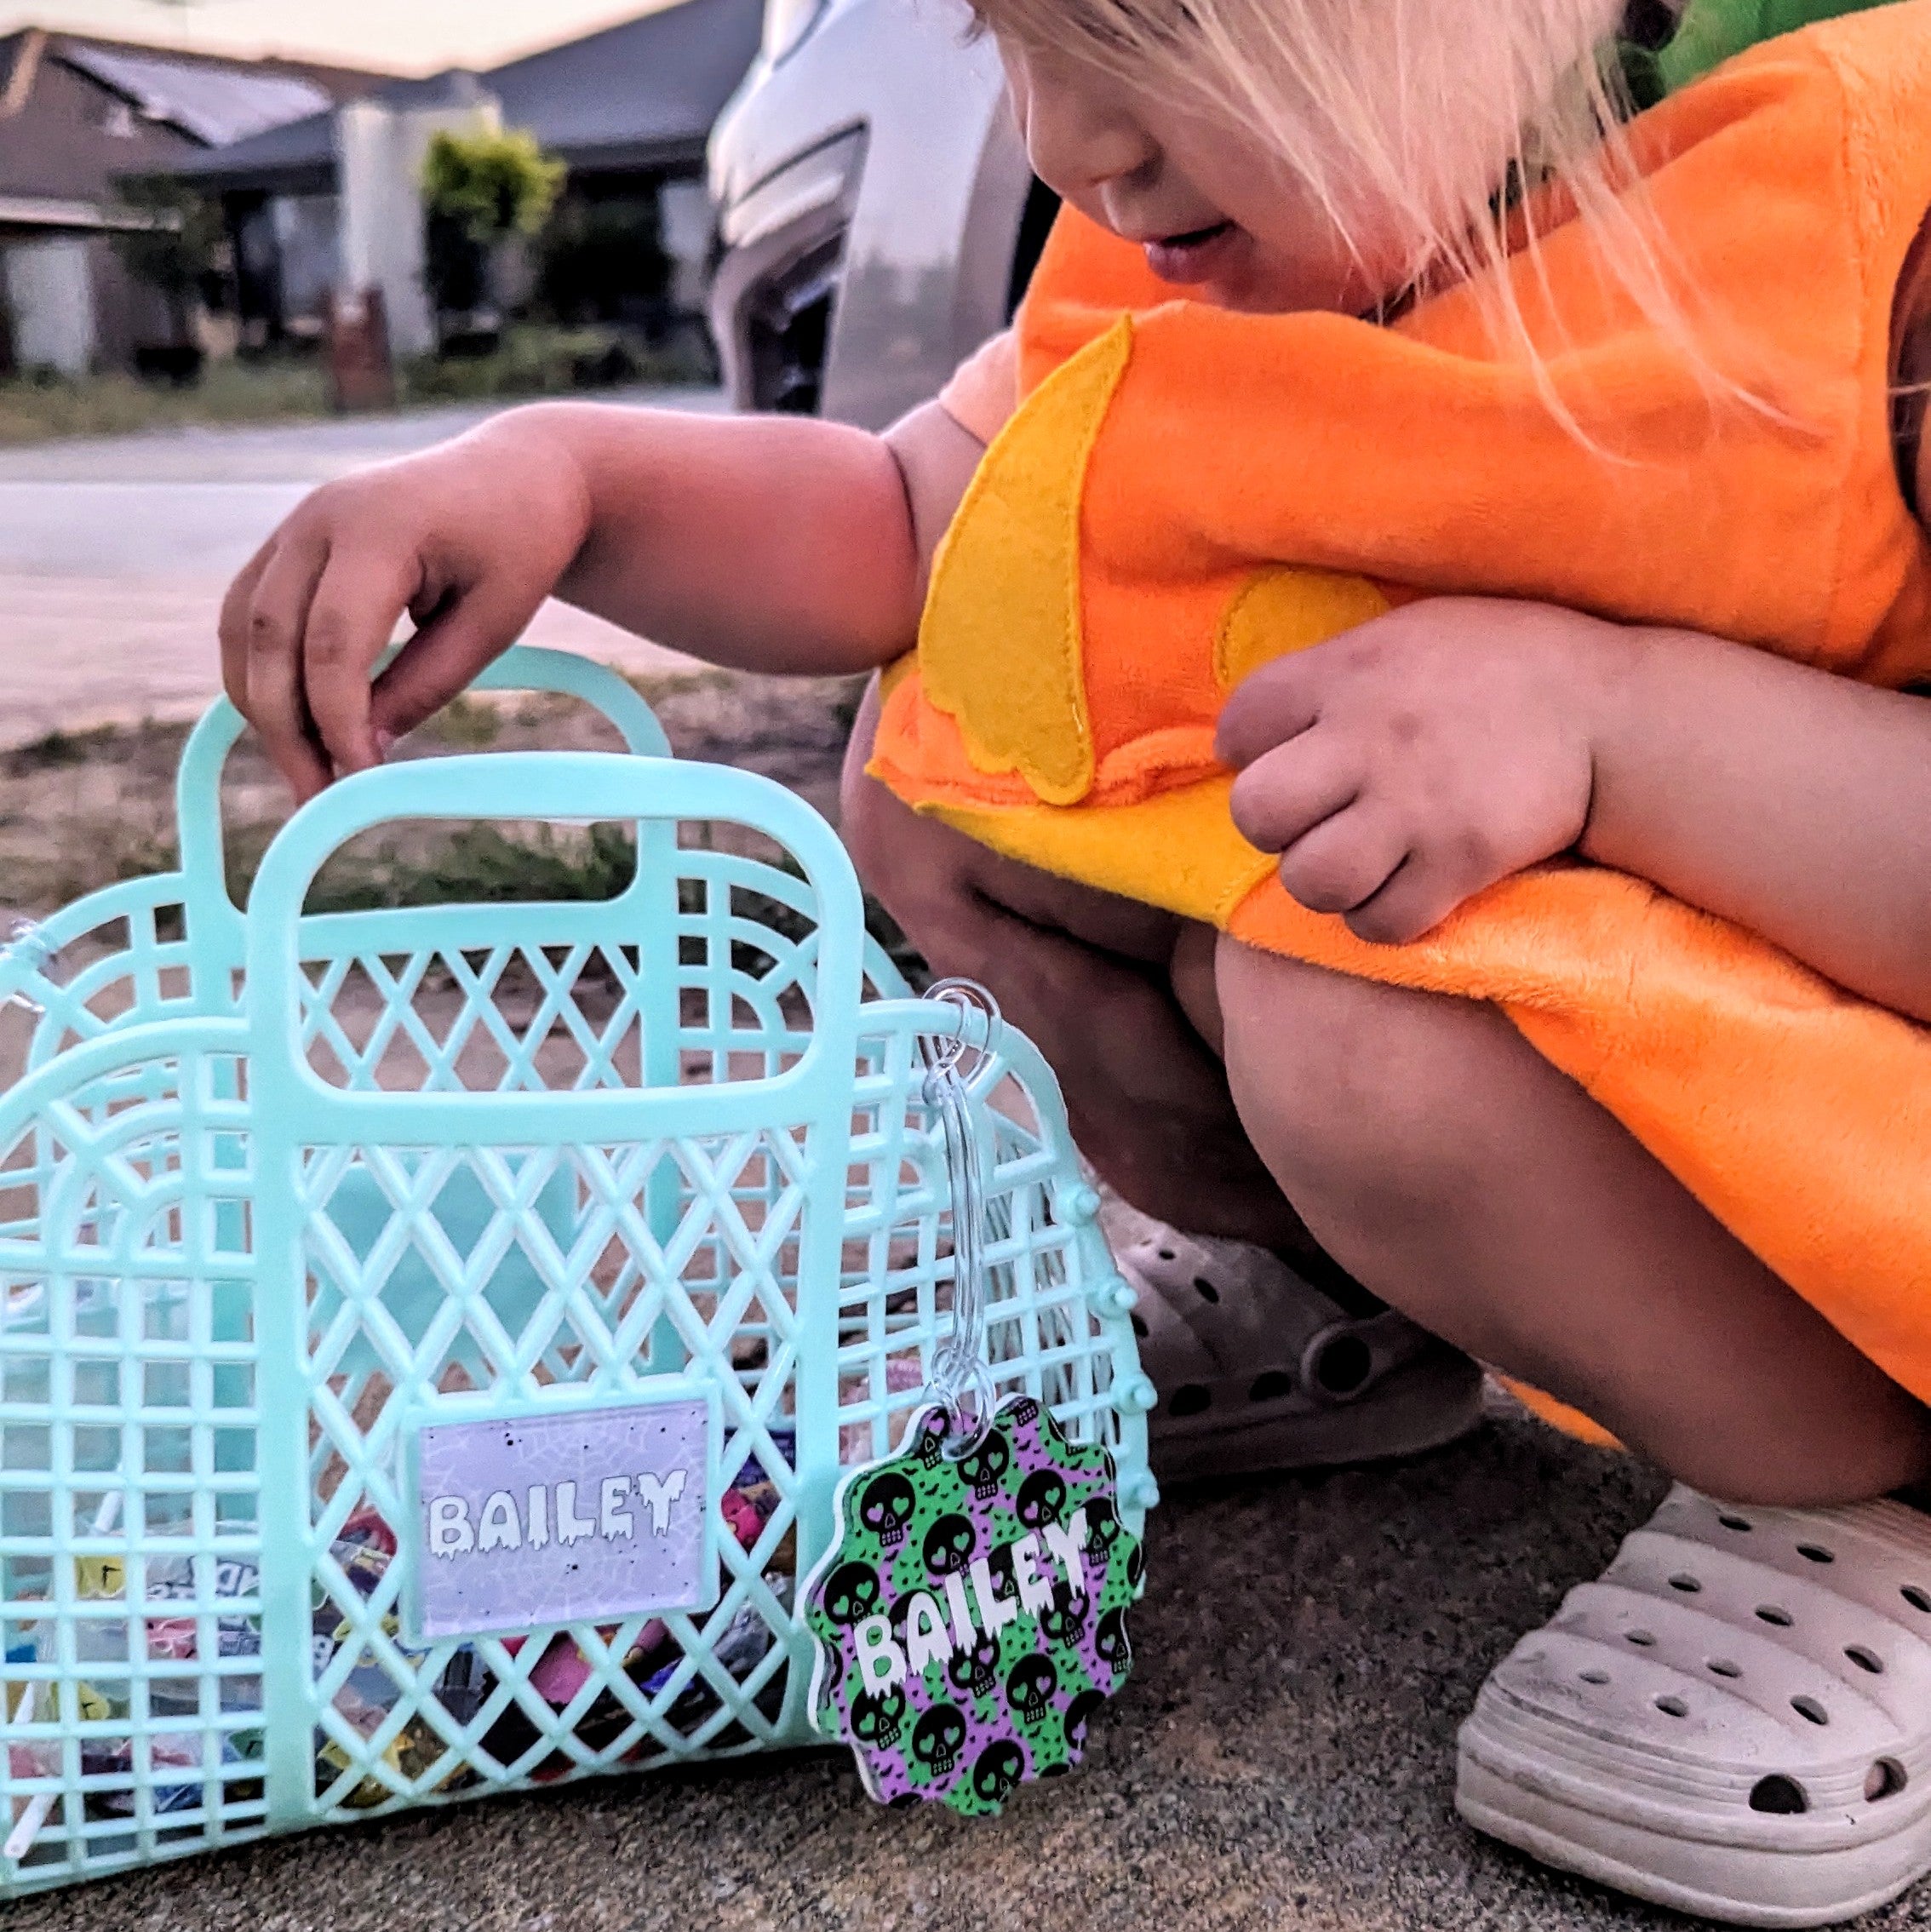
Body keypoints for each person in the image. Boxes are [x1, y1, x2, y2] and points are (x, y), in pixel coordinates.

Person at [222, 0, 1931, 1915]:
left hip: (1866, 1189)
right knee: (944, 763)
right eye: (1001, 28)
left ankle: (1858, 1485)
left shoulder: (1871, 210)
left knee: (1344, 1002)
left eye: (1154, 22)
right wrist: (567, 482)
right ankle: (1345, 1304)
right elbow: (913, 520)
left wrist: (1614, 728)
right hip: (1514, 1036)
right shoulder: (1225, 236)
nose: (1060, 137)